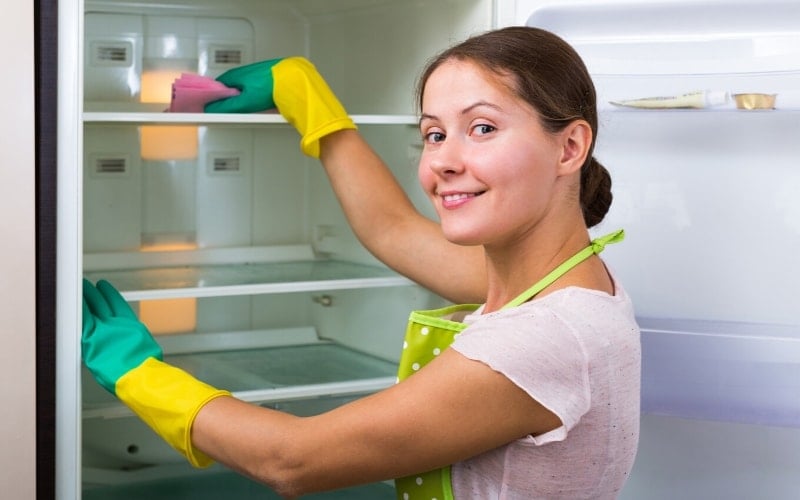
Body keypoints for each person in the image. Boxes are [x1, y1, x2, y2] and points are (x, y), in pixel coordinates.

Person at [82, 26, 641, 499]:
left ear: (569, 148)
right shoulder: (557, 285)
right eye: (434, 133)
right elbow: (392, 230)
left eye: (483, 128)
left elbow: (293, 460)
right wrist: (308, 101)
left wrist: (138, 374)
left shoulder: (544, 340)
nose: (444, 161)